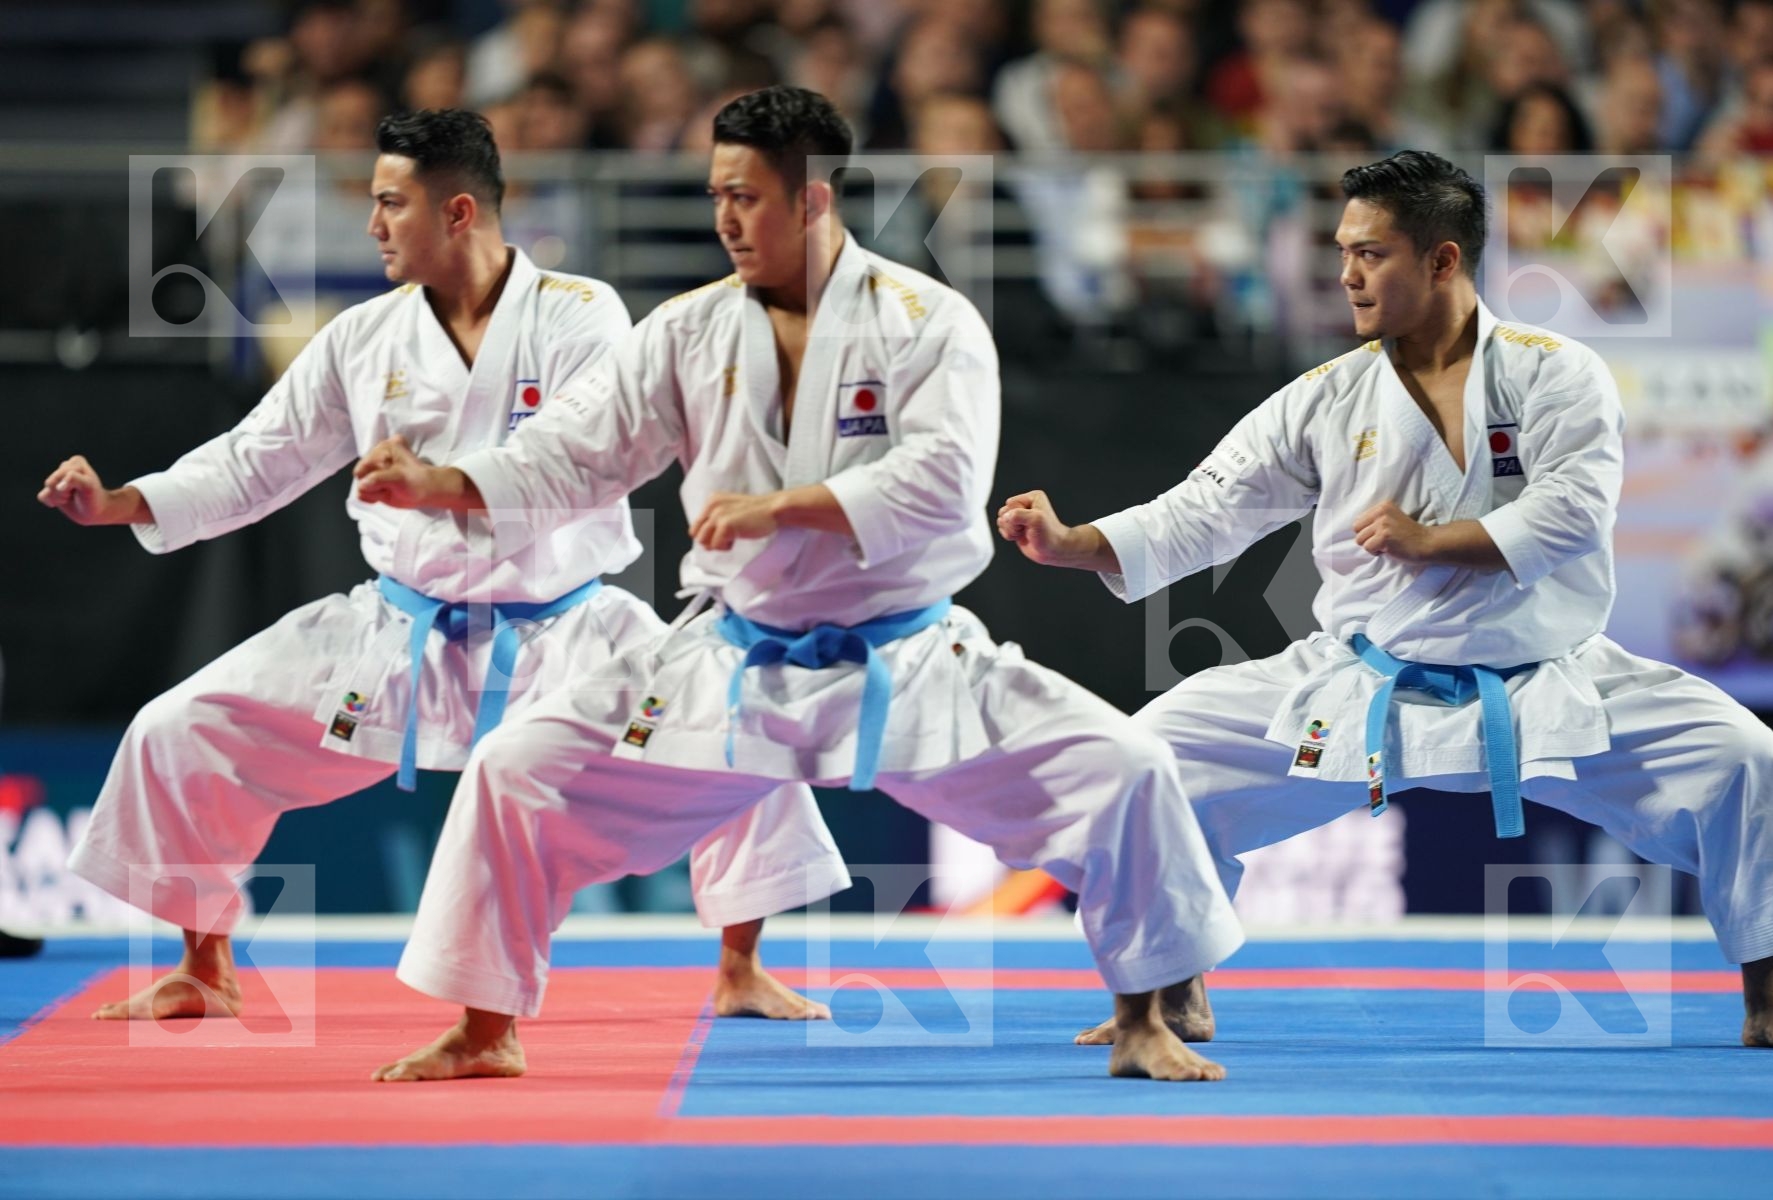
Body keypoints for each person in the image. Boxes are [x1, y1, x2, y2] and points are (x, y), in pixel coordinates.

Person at [355, 86, 1245, 1084]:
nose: (725, 219)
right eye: (715, 195)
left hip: (903, 655)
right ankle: (486, 1029)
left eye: (747, 197)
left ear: (814, 198)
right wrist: (448, 483)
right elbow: (574, 453)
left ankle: (1143, 1017)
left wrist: (784, 506)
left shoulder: (926, 321)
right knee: (514, 771)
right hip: (734, 656)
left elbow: (942, 481)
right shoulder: (686, 331)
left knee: (1123, 770)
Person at [37, 108, 844, 1025]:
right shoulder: (360, 335)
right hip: (398, 628)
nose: (372, 224)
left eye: (391, 204)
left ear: (458, 211)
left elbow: (581, 461)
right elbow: (258, 456)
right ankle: (205, 963)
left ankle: (740, 966)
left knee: (732, 728)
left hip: (564, 627)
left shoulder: (582, 317)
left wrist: (444, 487)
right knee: (182, 727)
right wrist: (123, 501)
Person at [998, 149, 1773, 1052]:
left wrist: (1433, 539)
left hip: (1546, 682)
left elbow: (1574, 512)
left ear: (1443, 260)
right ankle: (1173, 987)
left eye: (1370, 253)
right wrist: (1075, 543)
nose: (1345, 274)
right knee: (1152, 760)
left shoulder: (1555, 372)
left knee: (1743, 758)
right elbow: (1209, 509)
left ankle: (1769, 996)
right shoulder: (1326, 396)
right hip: (1361, 683)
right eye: (1342, 252)